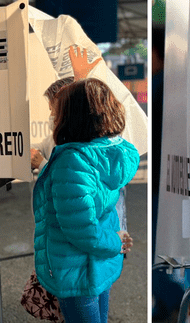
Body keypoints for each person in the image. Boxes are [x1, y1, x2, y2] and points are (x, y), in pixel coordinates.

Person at [32, 78, 139, 323]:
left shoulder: (72, 162)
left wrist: (114, 242)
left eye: (57, 112)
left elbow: (82, 231)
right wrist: (115, 241)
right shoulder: (112, 154)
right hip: (100, 262)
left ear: (73, 117)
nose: (53, 118)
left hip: (76, 270)